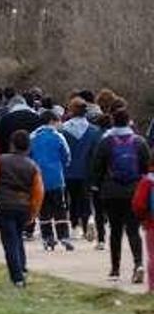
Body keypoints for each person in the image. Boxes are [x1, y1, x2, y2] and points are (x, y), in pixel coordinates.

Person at [91, 109, 151, 283]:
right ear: (129, 121)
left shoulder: (106, 142)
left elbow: (97, 167)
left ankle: (115, 269)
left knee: (115, 231)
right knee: (133, 230)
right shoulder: (139, 142)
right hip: (133, 191)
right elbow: (146, 167)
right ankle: (138, 263)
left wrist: (96, 186)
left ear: (113, 122)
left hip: (111, 192)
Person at [0, 130, 44, 287]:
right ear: (28, 147)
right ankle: (22, 267)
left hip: (4, 204)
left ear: (11, 144)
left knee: (10, 241)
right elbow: (38, 192)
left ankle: (17, 276)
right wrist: (33, 212)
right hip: (23, 206)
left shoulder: (0, 161)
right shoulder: (33, 166)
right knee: (18, 238)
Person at [30, 110, 73, 251]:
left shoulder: (32, 137)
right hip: (56, 178)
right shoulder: (58, 136)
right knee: (60, 207)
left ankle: (47, 237)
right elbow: (66, 156)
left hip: (38, 179)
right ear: (52, 121)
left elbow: (28, 155)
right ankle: (64, 236)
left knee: (43, 209)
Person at [61, 98, 102, 243]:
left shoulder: (63, 129)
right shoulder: (94, 131)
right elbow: (97, 154)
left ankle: (74, 227)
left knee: (72, 199)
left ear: (71, 111)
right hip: (87, 170)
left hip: (69, 170)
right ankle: (88, 221)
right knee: (85, 198)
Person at [131, 170, 154, 293]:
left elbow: (137, 204)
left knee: (153, 257)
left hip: (151, 225)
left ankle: (152, 289)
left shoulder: (147, 182)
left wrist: (143, 218)